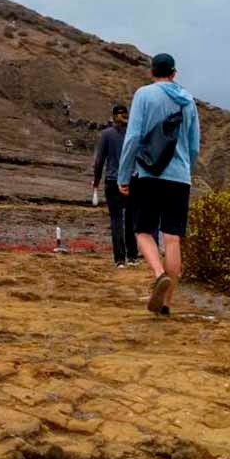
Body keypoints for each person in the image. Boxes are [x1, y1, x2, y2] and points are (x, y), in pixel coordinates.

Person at [117, 53, 201, 316]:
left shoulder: (143, 95)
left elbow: (133, 138)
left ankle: (158, 273)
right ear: (174, 73)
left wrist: (123, 174)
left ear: (152, 71)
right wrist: (187, 170)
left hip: (148, 174)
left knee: (142, 230)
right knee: (173, 238)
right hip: (179, 178)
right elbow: (195, 145)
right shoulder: (189, 102)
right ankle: (166, 303)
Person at [92, 105, 135, 267]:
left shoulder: (106, 135)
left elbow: (99, 161)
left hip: (112, 180)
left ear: (113, 116)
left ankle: (119, 259)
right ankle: (132, 256)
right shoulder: (133, 135)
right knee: (131, 219)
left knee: (116, 220)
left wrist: (96, 181)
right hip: (131, 181)